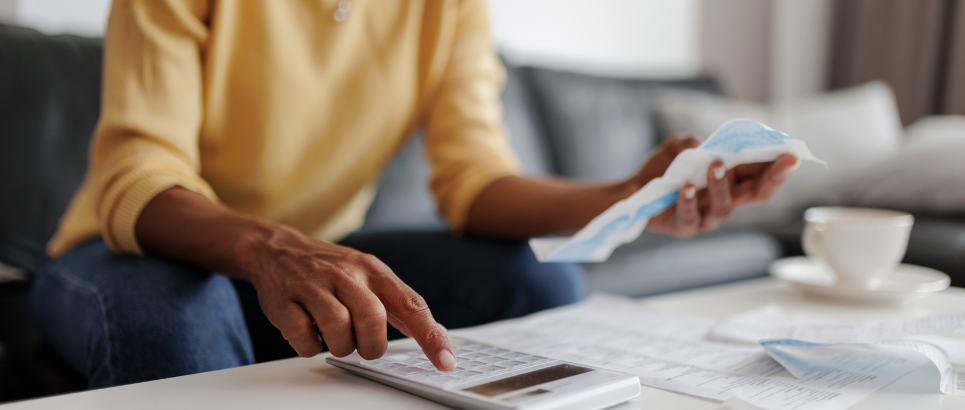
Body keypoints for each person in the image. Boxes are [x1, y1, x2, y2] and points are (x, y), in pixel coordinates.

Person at [31, 0, 799, 389]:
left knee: (539, 279)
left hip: (312, 252)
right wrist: (271, 248)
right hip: (136, 245)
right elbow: (140, 174)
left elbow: (474, 181)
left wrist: (629, 195)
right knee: (180, 315)